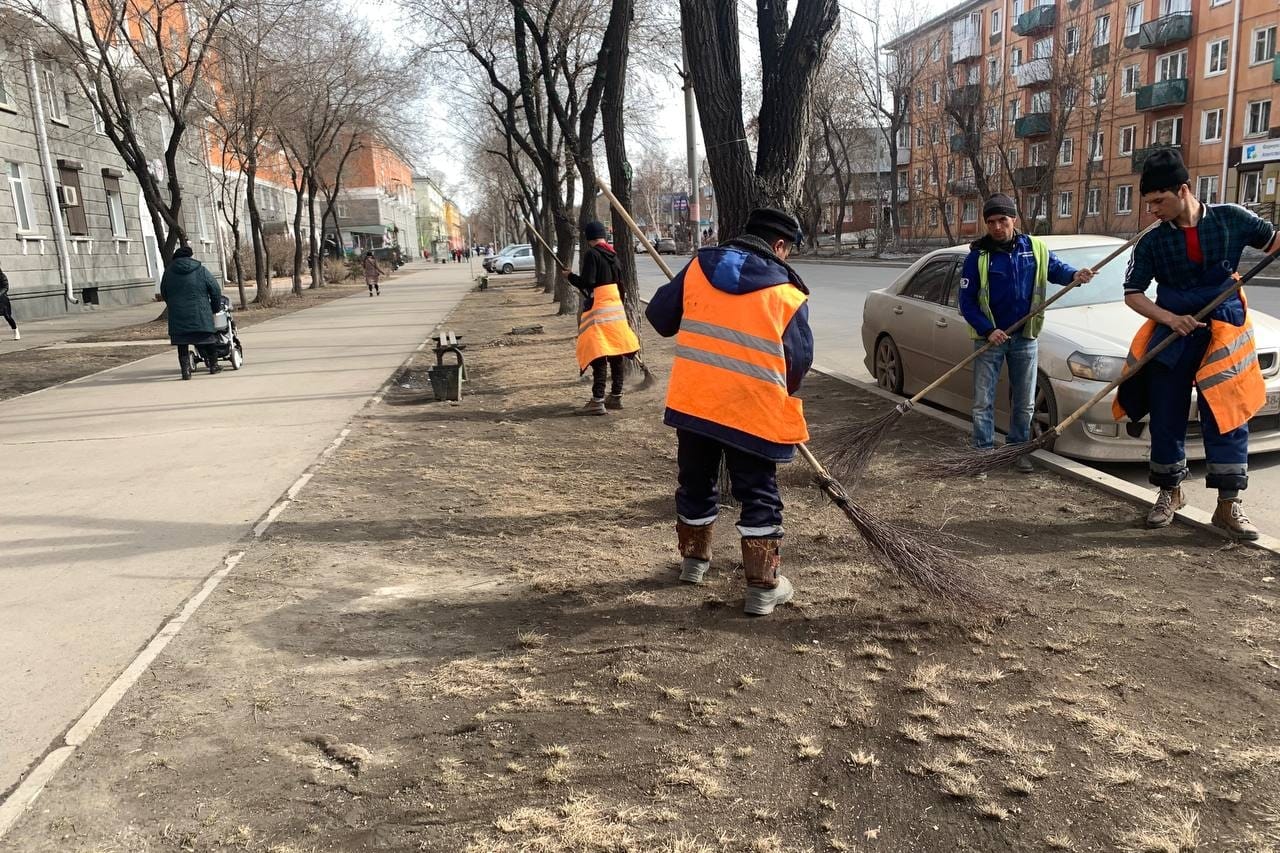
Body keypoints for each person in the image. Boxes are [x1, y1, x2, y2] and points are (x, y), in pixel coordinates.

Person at [646, 208, 813, 617]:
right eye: (788, 250)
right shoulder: (788, 295)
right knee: (757, 493)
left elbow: (659, 319)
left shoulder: (699, 267)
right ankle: (762, 587)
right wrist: (779, 389)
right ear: (778, 246)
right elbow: (799, 360)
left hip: (695, 402)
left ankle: (693, 563)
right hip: (752, 412)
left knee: (695, 481)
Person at [1116, 149, 1280, 539]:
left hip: (1224, 328)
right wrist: (1170, 319)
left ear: (1184, 190)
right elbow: (1133, 293)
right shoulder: (1153, 243)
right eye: (1148, 203)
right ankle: (1170, 493)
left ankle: (1227, 506)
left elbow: (1273, 242)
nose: (1152, 210)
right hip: (1175, 332)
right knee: (1167, 411)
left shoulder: (1232, 219)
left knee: (1228, 412)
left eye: (1159, 201)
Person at [959, 194, 1093, 472]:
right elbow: (967, 304)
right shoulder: (978, 257)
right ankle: (982, 454)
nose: (997, 227)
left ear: (1014, 220)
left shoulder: (1035, 249)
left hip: (1025, 337)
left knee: (1024, 402)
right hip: (991, 340)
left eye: (1002, 220)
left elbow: (1056, 270)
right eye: (991, 222)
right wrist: (988, 330)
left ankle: (1016, 450)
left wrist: (1075, 276)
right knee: (983, 401)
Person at [566, 220, 640, 415]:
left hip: (599, 312)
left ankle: (597, 400)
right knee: (616, 354)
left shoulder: (592, 254)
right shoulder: (613, 255)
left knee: (598, 354)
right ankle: (616, 396)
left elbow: (588, 282)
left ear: (589, 237)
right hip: (615, 310)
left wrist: (570, 277)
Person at [160, 246, 222, 380]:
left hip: (178, 315)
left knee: (182, 343)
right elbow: (215, 289)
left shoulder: (168, 272)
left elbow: (164, 292)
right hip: (200, 313)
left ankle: (185, 371)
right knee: (208, 339)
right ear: (190, 256)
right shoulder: (200, 270)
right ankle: (213, 365)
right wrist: (215, 308)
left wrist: (173, 305)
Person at [0, 263, 18, 341]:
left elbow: (5, 287)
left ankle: (15, 330)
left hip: (3, 300)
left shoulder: (2, 276)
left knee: (8, 316)